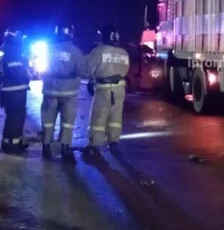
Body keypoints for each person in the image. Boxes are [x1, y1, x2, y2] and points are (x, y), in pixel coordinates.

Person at [41, 24, 84, 163]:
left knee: (48, 120)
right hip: (69, 92)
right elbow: (80, 71)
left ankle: (46, 147)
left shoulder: (47, 49)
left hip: (50, 90)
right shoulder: (76, 51)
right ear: (70, 33)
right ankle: (65, 147)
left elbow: (41, 68)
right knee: (67, 121)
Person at [83, 25, 129, 154]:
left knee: (98, 117)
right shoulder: (123, 52)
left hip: (104, 89)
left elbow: (87, 70)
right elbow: (125, 69)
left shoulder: (99, 51)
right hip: (120, 88)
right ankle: (114, 141)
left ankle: (94, 144)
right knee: (115, 116)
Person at [0, 29, 31, 154]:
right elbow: (19, 72)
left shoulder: (3, 49)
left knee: (12, 117)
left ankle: (12, 142)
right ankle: (11, 145)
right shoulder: (13, 51)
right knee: (16, 117)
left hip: (6, 89)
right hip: (15, 90)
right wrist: (28, 75)